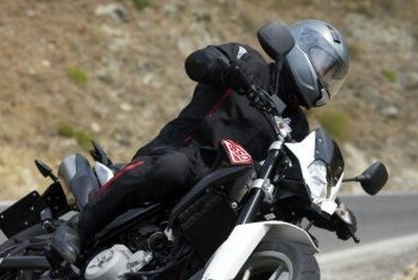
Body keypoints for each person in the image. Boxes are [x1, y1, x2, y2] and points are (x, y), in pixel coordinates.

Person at [53, 19, 355, 265]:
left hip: (223, 191)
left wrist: (333, 211)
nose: (326, 80)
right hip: (182, 152)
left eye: (332, 76)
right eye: (325, 67)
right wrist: (224, 69)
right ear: (301, 47)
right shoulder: (248, 61)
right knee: (172, 168)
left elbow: (300, 174)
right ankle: (79, 227)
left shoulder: (297, 126)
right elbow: (197, 61)